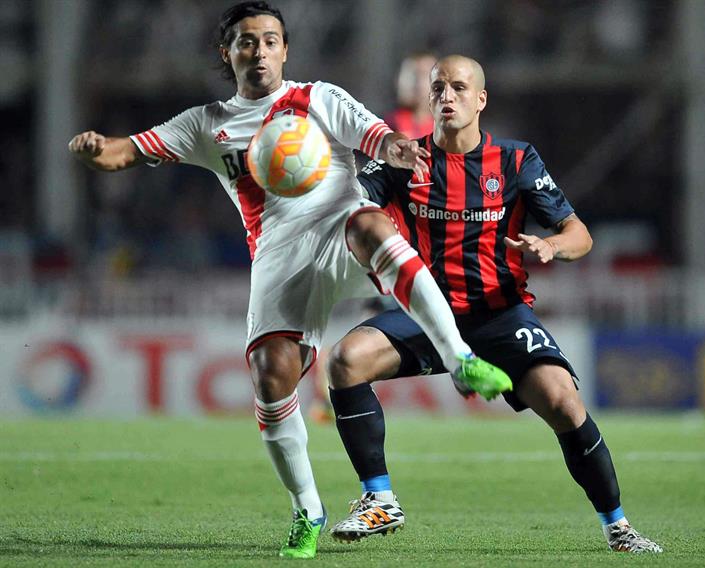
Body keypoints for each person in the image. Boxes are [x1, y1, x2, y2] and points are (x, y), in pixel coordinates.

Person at [68, 6, 512, 558]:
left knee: (374, 223)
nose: (258, 51)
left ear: (285, 50)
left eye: (270, 40)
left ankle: (460, 358)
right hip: (279, 256)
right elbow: (125, 151)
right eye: (246, 42)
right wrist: (95, 150)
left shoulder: (319, 98)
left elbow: (377, 137)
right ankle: (308, 510)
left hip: (339, 228)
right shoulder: (207, 123)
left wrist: (399, 148)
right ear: (226, 54)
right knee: (269, 376)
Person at [326, 55, 663, 554]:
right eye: (438, 88)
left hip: (500, 314)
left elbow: (580, 235)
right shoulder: (403, 160)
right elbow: (349, 205)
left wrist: (552, 247)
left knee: (564, 403)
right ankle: (379, 499)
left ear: (480, 99)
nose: (446, 96)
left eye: (459, 87)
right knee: (345, 361)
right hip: (428, 313)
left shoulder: (516, 161)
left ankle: (618, 526)